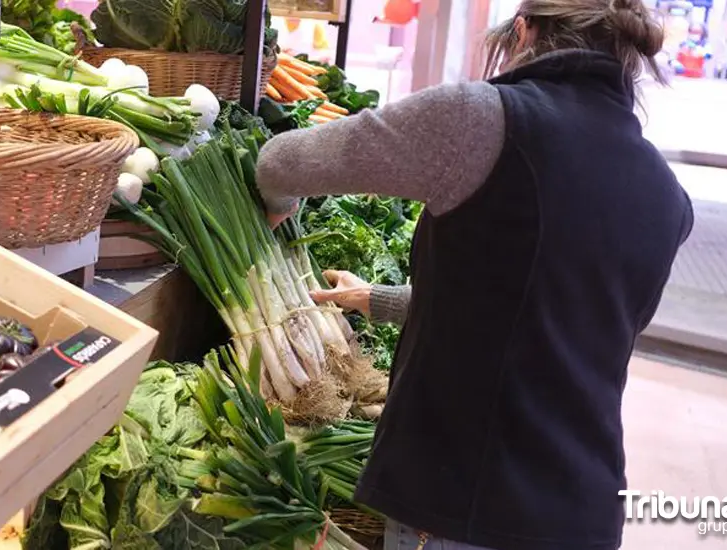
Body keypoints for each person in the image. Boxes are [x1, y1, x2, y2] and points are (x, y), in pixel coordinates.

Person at [253, 0, 695, 547]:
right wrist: (380, 299)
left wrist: (279, 201)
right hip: (586, 511)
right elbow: (544, 319)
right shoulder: (668, 197)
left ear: (525, 30)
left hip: (466, 503)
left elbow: (281, 162)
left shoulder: (483, 118)